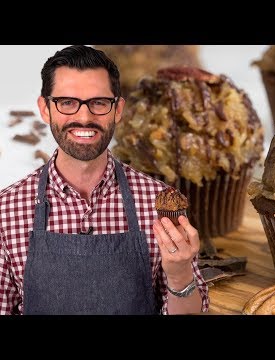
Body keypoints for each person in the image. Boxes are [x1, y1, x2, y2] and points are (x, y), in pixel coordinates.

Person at [0, 45, 209, 315]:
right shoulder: (7, 210)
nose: (84, 118)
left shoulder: (158, 202)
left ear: (118, 109)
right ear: (45, 109)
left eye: (99, 103)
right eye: (67, 103)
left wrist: (180, 276)